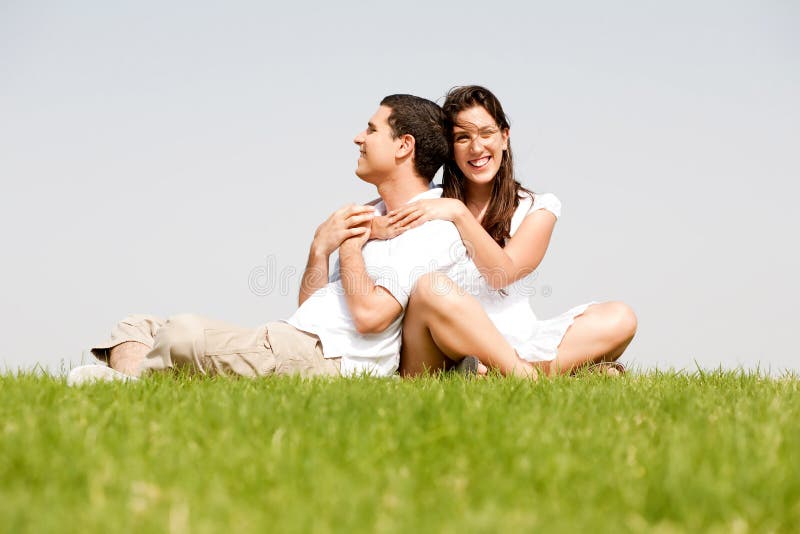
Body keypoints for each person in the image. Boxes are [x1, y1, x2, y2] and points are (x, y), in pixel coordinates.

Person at [68, 94, 538, 385]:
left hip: (327, 359)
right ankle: (134, 383)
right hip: (294, 338)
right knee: (137, 325)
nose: (359, 137)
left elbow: (372, 316)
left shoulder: (430, 225)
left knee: (183, 332)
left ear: (404, 146)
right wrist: (320, 246)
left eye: (371, 129)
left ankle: (133, 383)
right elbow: (308, 307)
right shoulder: (367, 213)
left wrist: (351, 244)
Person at [372, 86, 637, 377]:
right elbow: (384, 220)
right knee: (430, 289)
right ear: (451, 147)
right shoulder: (431, 201)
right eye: (463, 137)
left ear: (504, 137)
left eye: (486, 133)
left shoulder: (537, 208)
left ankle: (495, 372)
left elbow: (503, 273)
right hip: (440, 343)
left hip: (517, 339)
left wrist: (460, 215)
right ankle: (546, 372)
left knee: (620, 317)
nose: (476, 148)